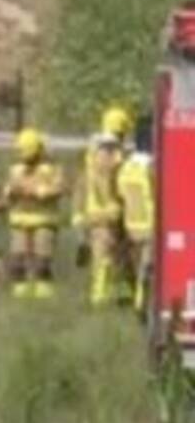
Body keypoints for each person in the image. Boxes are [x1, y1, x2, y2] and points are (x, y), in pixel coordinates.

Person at [3, 128, 65, 300]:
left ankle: (44, 293)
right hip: (19, 220)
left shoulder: (51, 168)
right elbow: (8, 189)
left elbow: (58, 189)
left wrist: (38, 191)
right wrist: (11, 191)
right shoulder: (15, 169)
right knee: (17, 257)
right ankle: (19, 293)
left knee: (42, 259)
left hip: (44, 220)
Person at [82, 131, 128, 307]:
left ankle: (106, 294)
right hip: (103, 218)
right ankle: (100, 295)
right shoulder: (101, 166)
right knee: (103, 258)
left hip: (105, 217)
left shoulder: (94, 163)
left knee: (110, 258)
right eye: (108, 148)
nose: (111, 153)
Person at [119, 116, 155, 314]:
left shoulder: (127, 167)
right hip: (151, 225)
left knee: (137, 266)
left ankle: (138, 301)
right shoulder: (152, 168)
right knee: (147, 269)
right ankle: (141, 305)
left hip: (132, 225)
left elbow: (121, 194)